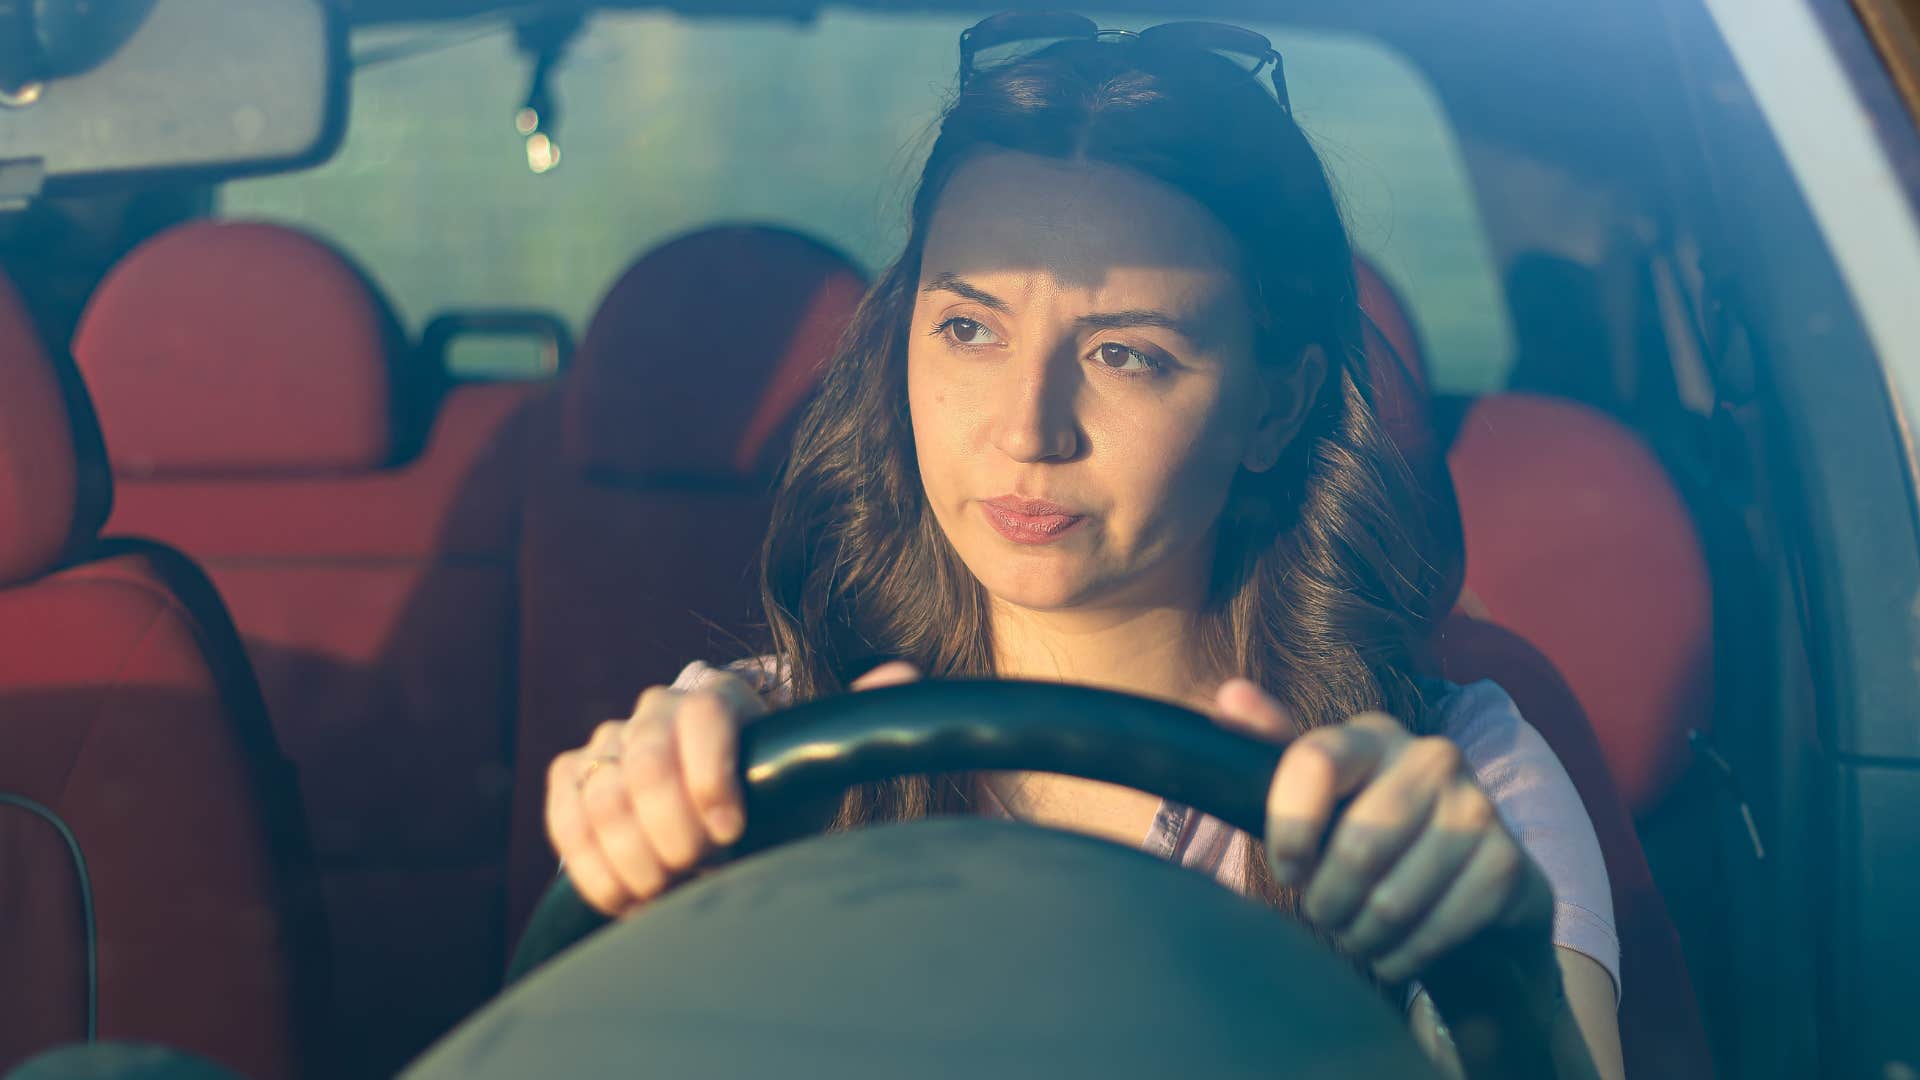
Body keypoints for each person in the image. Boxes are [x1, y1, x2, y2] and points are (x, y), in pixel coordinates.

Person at [543, 16, 1624, 1079]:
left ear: (1274, 410)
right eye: (969, 329)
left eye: (1126, 355)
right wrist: (649, 851)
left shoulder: (1447, 789)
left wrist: (1503, 977)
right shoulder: (761, 752)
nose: (1028, 430)